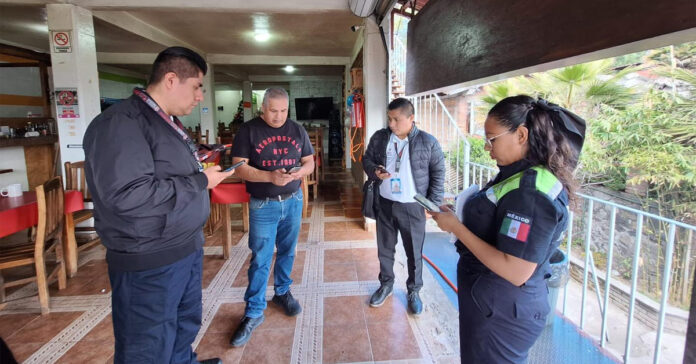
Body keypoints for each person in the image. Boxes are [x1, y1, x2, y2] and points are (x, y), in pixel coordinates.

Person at [83, 46, 231, 364]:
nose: (199, 97)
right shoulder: (120, 124)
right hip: (148, 260)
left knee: (182, 326)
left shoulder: (164, 121)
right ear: (171, 79)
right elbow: (127, 195)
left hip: (182, 247)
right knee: (147, 344)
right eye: (196, 87)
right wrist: (200, 182)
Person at [430, 95, 586, 363]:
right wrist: (460, 218)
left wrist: (457, 227)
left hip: (503, 311)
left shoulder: (532, 193)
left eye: (492, 139)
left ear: (521, 135)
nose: (487, 147)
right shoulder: (517, 174)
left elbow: (516, 270)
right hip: (491, 304)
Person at [228, 87, 315, 346]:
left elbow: (310, 161)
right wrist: (270, 176)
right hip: (263, 204)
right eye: (273, 110)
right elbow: (239, 167)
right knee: (261, 257)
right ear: (262, 108)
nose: (278, 117)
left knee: (288, 251)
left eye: (283, 111)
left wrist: (298, 174)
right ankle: (254, 311)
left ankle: (282, 292)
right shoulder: (248, 130)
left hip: (293, 201)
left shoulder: (297, 129)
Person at [362, 97, 445, 314]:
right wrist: (375, 171)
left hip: (413, 207)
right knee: (385, 250)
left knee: (414, 253)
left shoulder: (428, 142)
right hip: (385, 204)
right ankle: (386, 284)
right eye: (389, 119)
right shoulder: (381, 138)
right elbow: (367, 159)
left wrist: (433, 204)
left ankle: (414, 290)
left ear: (411, 118)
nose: (391, 124)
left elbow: (438, 173)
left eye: (396, 120)